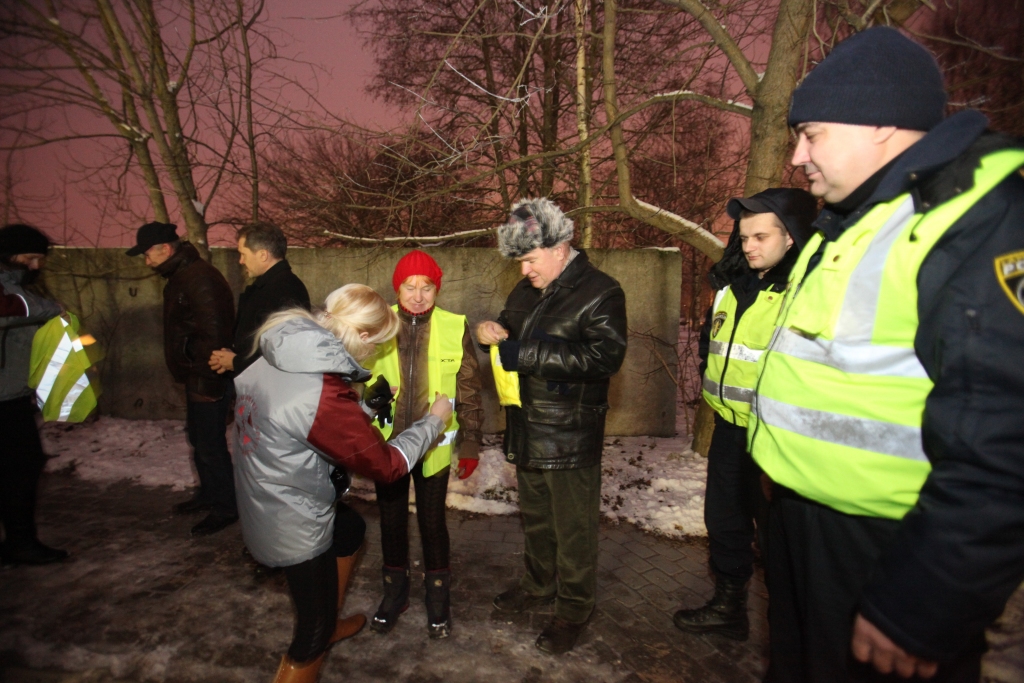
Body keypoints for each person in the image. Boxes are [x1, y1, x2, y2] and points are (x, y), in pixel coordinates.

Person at [747, 27, 1024, 682]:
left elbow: (1007, 436)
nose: (795, 156)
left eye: (810, 133)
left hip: (887, 549)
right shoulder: (855, 217)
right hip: (806, 530)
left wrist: (925, 598)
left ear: (880, 122)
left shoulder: (975, 220)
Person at [233, 283, 453, 683]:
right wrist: (435, 420)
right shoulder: (319, 393)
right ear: (363, 336)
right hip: (290, 517)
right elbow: (386, 465)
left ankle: (328, 618)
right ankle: (320, 634)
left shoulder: (282, 353)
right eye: (377, 344)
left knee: (350, 529)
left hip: (266, 491)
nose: (374, 353)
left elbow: (305, 425)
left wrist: (364, 408)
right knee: (309, 633)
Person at [476, 198, 628, 655]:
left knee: (574, 528)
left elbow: (606, 357)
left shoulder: (601, 291)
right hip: (527, 425)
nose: (523, 271)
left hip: (569, 433)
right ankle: (538, 586)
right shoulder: (526, 291)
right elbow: (507, 330)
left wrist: (527, 355)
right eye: (519, 261)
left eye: (528, 259)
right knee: (538, 520)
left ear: (559, 246)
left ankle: (574, 608)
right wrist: (489, 332)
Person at [673, 188, 816, 641]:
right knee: (725, 522)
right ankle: (730, 608)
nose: (748, 245)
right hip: (730, 431)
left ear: (791, 237)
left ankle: (789, 634)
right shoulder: (731, 286)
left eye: (760, 236)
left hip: (779, 438)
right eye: (744, 236)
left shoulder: (805, 292)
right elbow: (708, 347)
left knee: (780, 541)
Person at [362, 249, 484, 639]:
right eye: (409, 286)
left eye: (426, 286)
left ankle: (437, 598)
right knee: (392, 522)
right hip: (390, 446)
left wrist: (472, 443)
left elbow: (468, 387)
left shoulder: (454, 325)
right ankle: (394, 594)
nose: (417, 295)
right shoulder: (379, 324)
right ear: (397, 288)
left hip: (433, 446)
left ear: (437, 288)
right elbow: (356, 374)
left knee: (433, 524)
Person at [127, 222, 237, 537]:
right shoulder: (183, 275)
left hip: (207, 377)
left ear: (166, 248)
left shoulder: (199, 278)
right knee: (199, 441)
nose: (146, 262)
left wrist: (205, 378)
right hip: (196, 374)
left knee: (210, 444)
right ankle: (209, 494)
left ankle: (226, 506)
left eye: (148, 254)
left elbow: (215, 334)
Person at [0, 224, 68, 566]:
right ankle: (21, 544)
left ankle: (17, 540)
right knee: (21, 469)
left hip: (11, 394)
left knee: (18, 469)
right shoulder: (11, 293)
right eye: (31, 258)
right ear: (11, 256)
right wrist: (53, 309)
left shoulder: (14, 284)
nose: (36, 266)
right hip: (4, 401)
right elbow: (14, 309)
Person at [208, 221, 310, 378]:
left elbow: (284, 350)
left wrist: (236, 362)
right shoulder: (268, 286)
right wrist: (232, 356)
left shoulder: (286, 289)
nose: (241, 261)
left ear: (263, 255)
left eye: (243, 254)